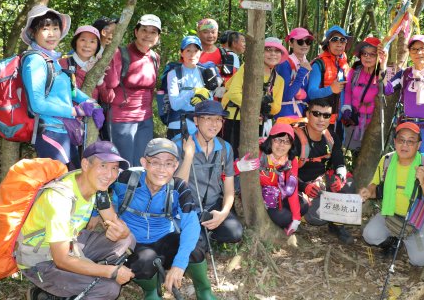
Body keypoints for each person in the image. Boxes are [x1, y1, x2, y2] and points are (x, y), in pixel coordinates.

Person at [100, 138, 215, 300]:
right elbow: (98, 188)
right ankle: (151, 291)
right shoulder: (126, 179)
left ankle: (204, 291)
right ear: (144, 163)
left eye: (169, 164)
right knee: (144, 261)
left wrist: (179, 264)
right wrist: (94, 215)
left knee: (196, 246)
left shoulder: (179, 188)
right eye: (155, 162)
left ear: (175, 166)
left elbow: (191, 224)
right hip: (133, 243)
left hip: (165, 239)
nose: (162, 169)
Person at [19, 141, 135, 299]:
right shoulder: (60, 198)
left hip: (70, 244)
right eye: (103, 166)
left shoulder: (96, 188)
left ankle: (74, 284)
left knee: (127, 239)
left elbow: (114, 221)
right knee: (108, 288)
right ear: (86, 164)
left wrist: (124, 231)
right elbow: (62, 259)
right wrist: (110, 272)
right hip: (39, 261)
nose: (110, 174)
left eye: (114, 168)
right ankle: (46, 292)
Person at [21, 5, 104, 168]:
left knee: (70, 181)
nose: (51, 34)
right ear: (33, 33)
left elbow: (70, 89)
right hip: (50, 133)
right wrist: (75, 111)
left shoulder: (52, 60)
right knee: (60, 184)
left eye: (55, 28)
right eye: (45, 28)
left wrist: (93, 104)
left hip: (65, 131)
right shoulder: (35, 60)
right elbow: (37, 104)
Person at [358, 122, 424, 266]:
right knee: (369, 235)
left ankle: (409, 240)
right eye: (401, 140)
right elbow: (374, 184)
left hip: (416, 220)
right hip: (390, 214)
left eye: (410, 141)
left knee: (421, 260)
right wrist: (368, 191)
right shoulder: (387, 160)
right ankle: (394, 241)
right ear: (395, 142)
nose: (405, 145)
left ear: (419, 145)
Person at [174, 100, 243, 245]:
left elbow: (229, 189)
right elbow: (176, 188)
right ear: (196, 120)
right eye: (208, 118)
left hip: (212, 206)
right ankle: (200, 236)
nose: (214, 124)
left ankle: (207, 232)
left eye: (218, 119)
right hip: (187, 209)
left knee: (235, 232)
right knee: (198, 245)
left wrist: (223, 214)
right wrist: (188, 156)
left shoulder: (225, 148)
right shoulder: (179, 145)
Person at [293, 97, 356, 245]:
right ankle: (300, 218)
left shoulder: (331, 137)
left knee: (349, 184)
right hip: (298, 185)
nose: (321, 119)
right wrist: (304, 187)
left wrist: (340, 177)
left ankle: (337, 225)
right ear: (308, 115)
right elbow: (286, 172)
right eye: (316, 114)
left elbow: (339, 161)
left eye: (326, 115)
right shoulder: (294, 138)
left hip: (320, 182)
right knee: (317, 218)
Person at [378, 34, 424, 165]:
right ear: (409, 52)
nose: (418, 52)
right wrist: (383, 64)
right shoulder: (405, 74)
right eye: (414, 49)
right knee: (405, 169)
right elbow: (386, 89)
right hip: (407, 129)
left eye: (422, 48)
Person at [103, 14, 161, 167]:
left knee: (141, 164)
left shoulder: (155, 57)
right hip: (121, 119)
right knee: (124, 165)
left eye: (153, 32)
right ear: (136, 32)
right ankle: (120, 192)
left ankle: (136, 192)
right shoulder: (120, 53)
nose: (148, 35)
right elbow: (110, 83)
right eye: (144, 30)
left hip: (145, 118)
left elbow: (151, 88)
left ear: (158, 36)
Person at [221, 37, 287, 156]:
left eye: (277, 51)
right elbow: (233, 93)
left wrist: (266, 106)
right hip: (236, 119)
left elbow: (276, 107)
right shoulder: (247, 68)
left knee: (254, 159)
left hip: (260, 124)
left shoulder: (279, 80)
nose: (273, 54)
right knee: (233, 158)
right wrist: (256, 108)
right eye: (268, 49)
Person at [258, 123, 308, 235]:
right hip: (260, 197)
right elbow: (229, 171)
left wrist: (296, 218)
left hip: (278, 195)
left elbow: (292, 188)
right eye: (278, 140)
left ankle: (287, 223)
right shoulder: (259, 153)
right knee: (285, 217)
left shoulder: (291, 161)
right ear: (271, 139)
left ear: (291, 145)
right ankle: (283, 222)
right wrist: (239, 166)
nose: (282, 145)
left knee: (303, 206)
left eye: (287, 141)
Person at [166, 36, 214, 139]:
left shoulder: (205, 72)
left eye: (196, 51)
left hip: (201, 126)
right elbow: (175, 105)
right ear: (181, 52)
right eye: (188, 50)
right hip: (178, 125)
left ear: (200, 53)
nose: (192, 54)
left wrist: (205, 97)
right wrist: (193, 92)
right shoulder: (174, 74)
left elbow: (211, 102)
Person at [307, 25, 351, 137]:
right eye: (334, 39)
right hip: (320, 122)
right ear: (328, 44)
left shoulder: (344, 65)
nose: (339, 43)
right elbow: (311, 93)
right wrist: (331, 89)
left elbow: (346, 91)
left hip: (339, 121)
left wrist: (347, 107)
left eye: (343, 40)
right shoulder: (319, 64)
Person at [341, 37, 381, 152]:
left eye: (372, 54)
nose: (367, 57)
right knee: (351, 150)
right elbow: (348, 90)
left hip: (372, 123)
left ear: (378, 56)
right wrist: (346, 107)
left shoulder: (382, 74)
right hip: (355, 119)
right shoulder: (355, 71)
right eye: (364, 54)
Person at [275, 27, 313, 125]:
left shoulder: (306, 62)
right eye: (300, 42)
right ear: (291, 43)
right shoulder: (284, 64)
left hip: (302, 113)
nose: (305, 45)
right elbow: (287, 95)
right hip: (286, 114)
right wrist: (302, 73)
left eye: (308, 41)